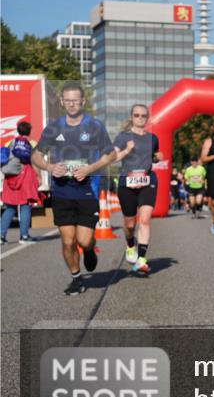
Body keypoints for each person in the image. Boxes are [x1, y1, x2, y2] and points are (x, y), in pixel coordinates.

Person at [31, 82, 117, 296]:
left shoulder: (95, 126)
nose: (71, 104)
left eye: (75, 100)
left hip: (87, 190)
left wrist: (90, 168)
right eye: (67, 100)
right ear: (62, 102)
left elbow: (110, 155)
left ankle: (89, 251)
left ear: (82, 101)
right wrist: (50, 166)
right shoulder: (53, 128)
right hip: (62, 192)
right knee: (68, 241)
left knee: (84, 240)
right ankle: (76, 278)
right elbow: (36, 156)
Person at [113, 103, 162, 275]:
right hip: (128, 182)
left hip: (148, 181)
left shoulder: (153, 138)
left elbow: (154, 157)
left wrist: (157, 158)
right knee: (130, 223)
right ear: (131, 117)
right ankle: (130, 245)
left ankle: (141, 259)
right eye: (136, 115)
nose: (140, 118)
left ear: (147, 118)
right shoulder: (123, 136)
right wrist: (127, 150)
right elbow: (113, 157)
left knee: (146, 220)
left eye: (143, 116)